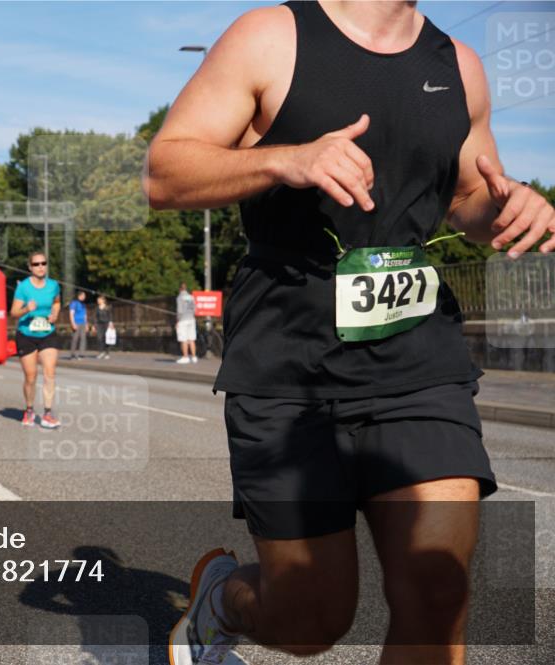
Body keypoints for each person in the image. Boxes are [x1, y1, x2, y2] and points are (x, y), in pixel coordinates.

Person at [146, 2, 554, 664]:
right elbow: (164, 172)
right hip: (288, 361)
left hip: (418, 356)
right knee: (311, 619)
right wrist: (287, 160)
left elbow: (467, 200)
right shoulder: (271, 37)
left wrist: (506, 208)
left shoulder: (461, 68)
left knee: (438, 589)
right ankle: (223, 599)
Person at [10, 251, 62, 428]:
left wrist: (55, 314)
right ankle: (30, 409)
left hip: (48, 333)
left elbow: (56, 302)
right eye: (36, 264)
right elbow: (13, 312)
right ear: (30, 267)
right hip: (26, 334)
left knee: (50, 373)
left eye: (43, 263)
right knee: (31, 377)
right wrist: (26, 309)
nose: (40, 267)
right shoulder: (24, 287)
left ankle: (47, 413)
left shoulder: (53, 285)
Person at [175, 283, 197, 364]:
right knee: (191, 339)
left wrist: (177, 321)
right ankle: (194, 357)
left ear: (180, 289)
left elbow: (180, 311)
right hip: (191, 319)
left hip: (183, 320)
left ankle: (185, 357)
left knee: (183, 339)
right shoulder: (191, 297)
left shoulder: (180, 297)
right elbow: (195, 309)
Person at [68, 290, 88, 359]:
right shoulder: (74, 303)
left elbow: (85, 315)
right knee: (75, 338)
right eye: (83, 295)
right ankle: (72, 354)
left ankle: (81, 354)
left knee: (83, 338)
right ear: (79, 296)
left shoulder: (83, 304)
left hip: (83, 323)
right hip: (76, 322)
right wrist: (73, 323)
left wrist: (86, 324)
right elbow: (71, 314)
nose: (84, 297)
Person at [94, 294, 113, 359]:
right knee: (99, 338)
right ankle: (101, 352)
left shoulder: (107, 307)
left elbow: (110, 316)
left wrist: (110, 323)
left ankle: (107, 353)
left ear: (103, 300)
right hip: (99, 324)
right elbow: (95, 317)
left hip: (106, 324)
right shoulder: (97, 308)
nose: (98, 301)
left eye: (99, 300)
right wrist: (94, 325)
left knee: (106, 338)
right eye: (97, 300)